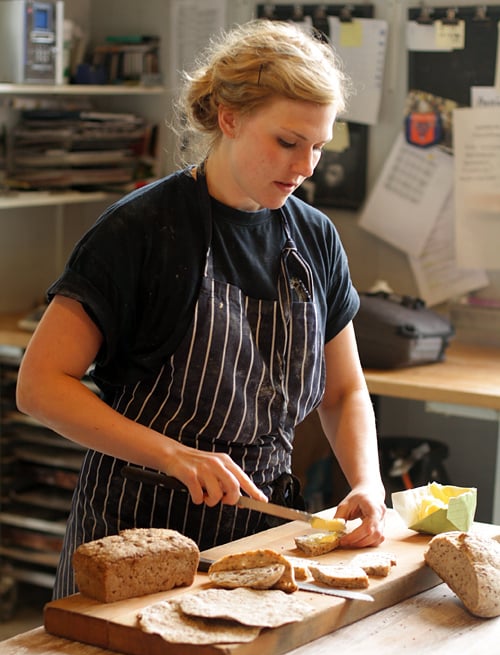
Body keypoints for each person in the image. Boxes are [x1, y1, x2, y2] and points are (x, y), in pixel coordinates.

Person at [16, 20, 386, 599]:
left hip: (262, 535)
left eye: (318, 146)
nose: (306, 165)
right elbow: (39, 386)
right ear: (229, 118)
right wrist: (177, 455)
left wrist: (367, 481)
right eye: (288, 142)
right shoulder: (138, 231)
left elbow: (343, 393)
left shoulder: (314, 240)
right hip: (137, 531)